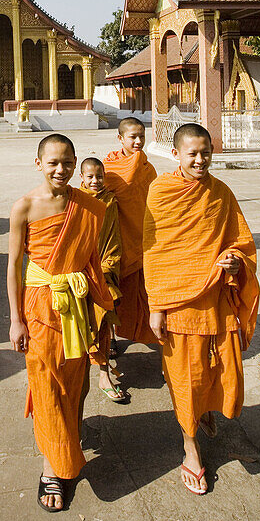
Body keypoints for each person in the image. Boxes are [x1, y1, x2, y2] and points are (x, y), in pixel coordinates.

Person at [144, 123, 260, 495]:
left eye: (205, 152)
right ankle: (190, 448)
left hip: (217, 299)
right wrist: (156, 307)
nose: (199, 159)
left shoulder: (220, 192)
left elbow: (240, 241)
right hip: (178, 305)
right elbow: (156, 252)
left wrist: (235, 261)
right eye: (192, 153)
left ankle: (204, 411)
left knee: (224, 371)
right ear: (175, 154)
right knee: (186, 378)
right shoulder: (161, 192)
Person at [7, 134, 113, 513]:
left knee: (74, 381)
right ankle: (54, 465)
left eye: (67, 162)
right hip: (39, 304)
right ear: (38, 163)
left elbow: (91, 262)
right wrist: (15, 320)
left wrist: (101, 307)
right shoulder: (24, 207)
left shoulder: (87, 206)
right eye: (53, 162)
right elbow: (14, 267)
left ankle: (69, 438)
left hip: (77, 303)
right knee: (46, 381)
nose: (60, 169)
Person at [103, 117, 158, 348]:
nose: (138, 141)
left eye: (141, 136)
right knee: (114, 287)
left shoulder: (147, 167)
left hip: (141, 236)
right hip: (117, 237)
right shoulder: (109, 168)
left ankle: (143, 329)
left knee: (141, 290)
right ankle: (110, 337)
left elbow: (155, 201)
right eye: (132, 137)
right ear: (120, 138)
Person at [78, 156, 126, 402]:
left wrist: (108, 265)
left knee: (104, 320)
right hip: (81, 271)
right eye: (90, 177)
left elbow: (114, 235)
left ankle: (104, 374)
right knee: (88, 323)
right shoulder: (75, 201)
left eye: (99, 176)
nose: (95, 181)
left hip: (106, 267)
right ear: (82, 178)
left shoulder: (110, 201)